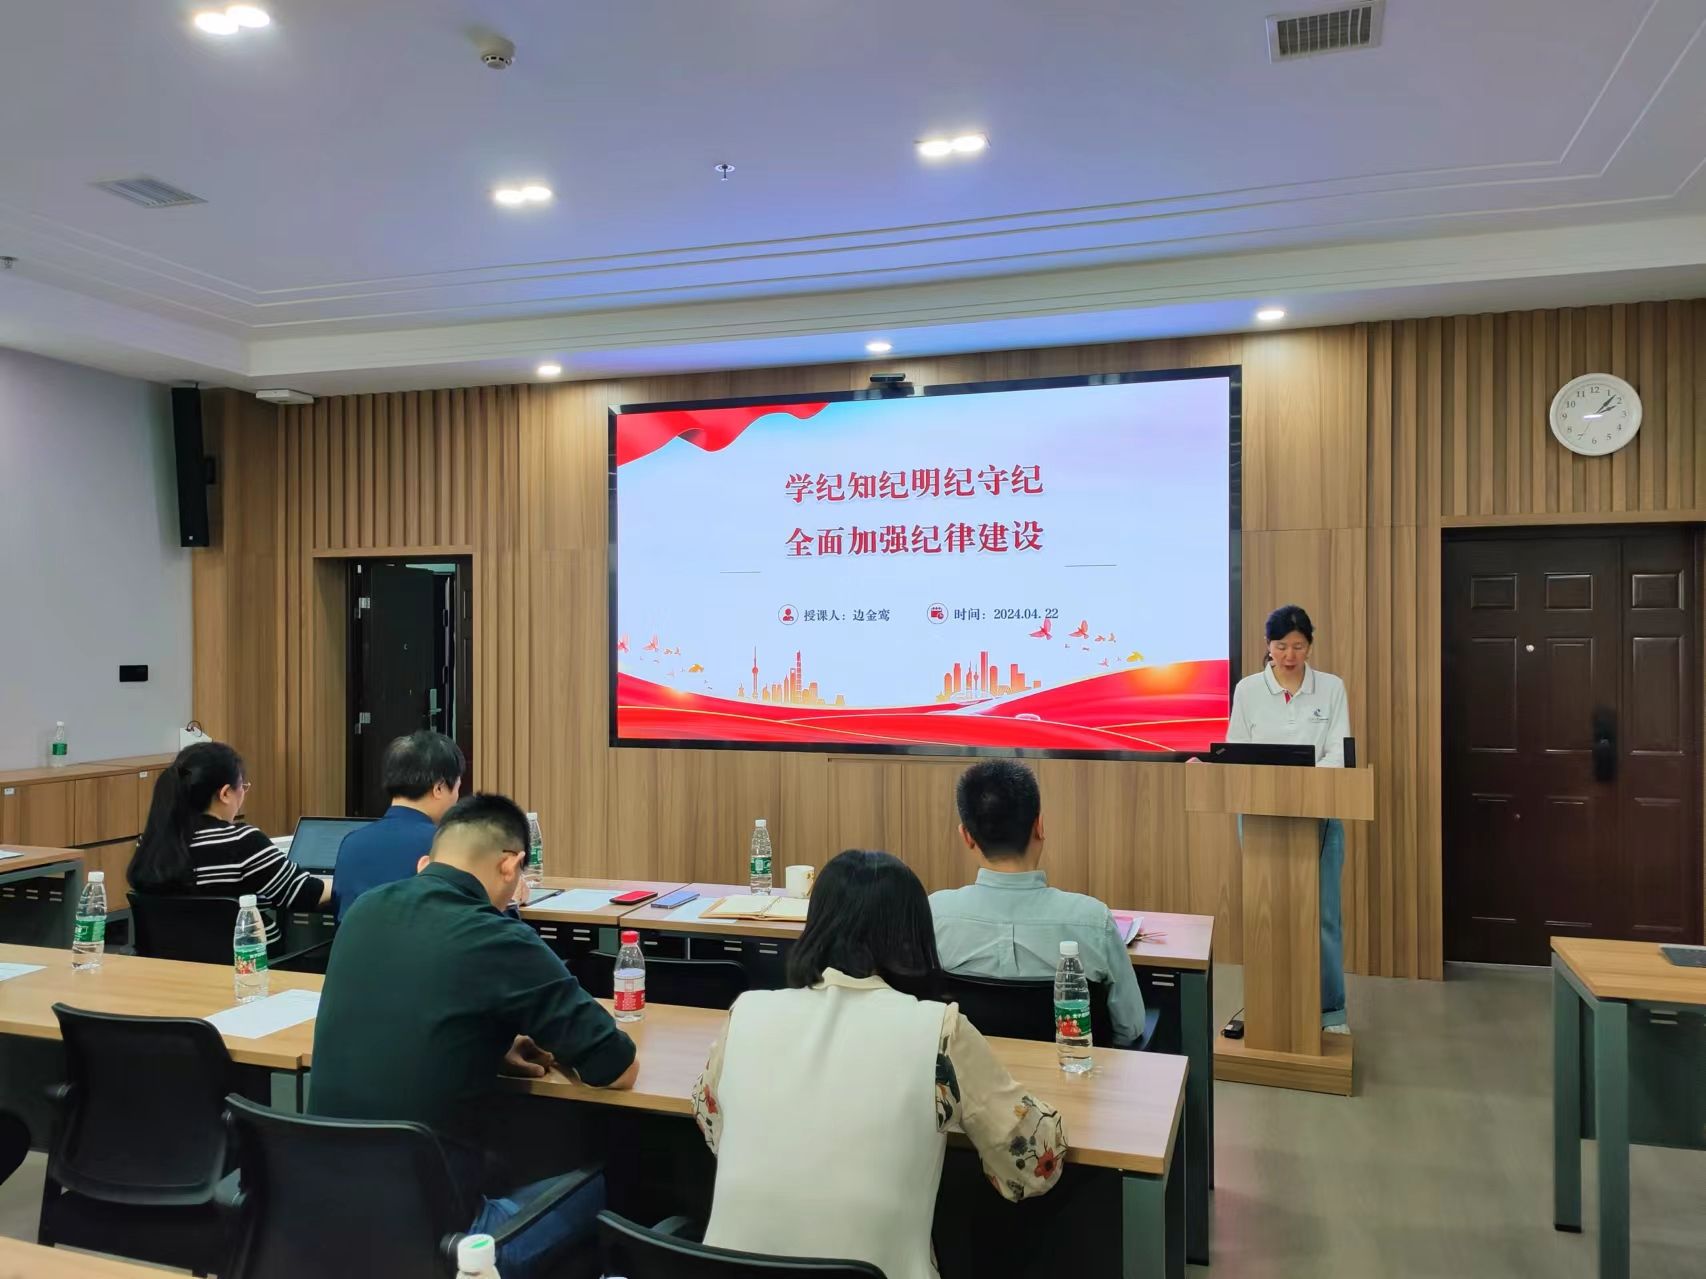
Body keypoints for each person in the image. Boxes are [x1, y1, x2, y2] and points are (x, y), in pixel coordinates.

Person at [692, 849, 1065, 1279]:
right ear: (914, 935)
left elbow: (712, 1124)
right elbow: (1033, 1166)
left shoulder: (747, 1012)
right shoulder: (939, 1032)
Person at [309, 793, 636, 1279]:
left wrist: (491, 1044)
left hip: (320, 1215)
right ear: (510, 865)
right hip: (446, 1243)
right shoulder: (499, 937)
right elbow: (617, 1067)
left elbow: (411, 1011)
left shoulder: (365, 912)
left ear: (431, 859)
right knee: (607, 1184)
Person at [929, 759, 1147, 1047]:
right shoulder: (1094, 921)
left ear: (966, 836)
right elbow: (1129, 1028)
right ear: (1040, 827)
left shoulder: (932, 915)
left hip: (968, 1074)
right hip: (1071, 1072)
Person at [1226, 602, 1352, 1032]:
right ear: (1268, 646)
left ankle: (1330, 1012)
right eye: (1281, 646)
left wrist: (1303, 788)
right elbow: (1235, 751)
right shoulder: (1248, 690)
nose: (1289, 655)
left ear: (1310, 646)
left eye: (1298, 646)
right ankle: (1269, 1006)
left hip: (1319, 815)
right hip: (1261, 815)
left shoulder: (1331, 687)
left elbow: (1338, 752)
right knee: (1268, 914)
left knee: (1323, 916)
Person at [130, 741, 327, 948]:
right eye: (242, 787)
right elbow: (305, 893)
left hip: (167, 964)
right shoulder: (241, 842)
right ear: (225, 793)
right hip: (251, 963)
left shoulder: (151, 843)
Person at [331, 730, 472, 921]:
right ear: (439, 788)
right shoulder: (446, 844)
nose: (456, 798)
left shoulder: (351, 842)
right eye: (457, 788)